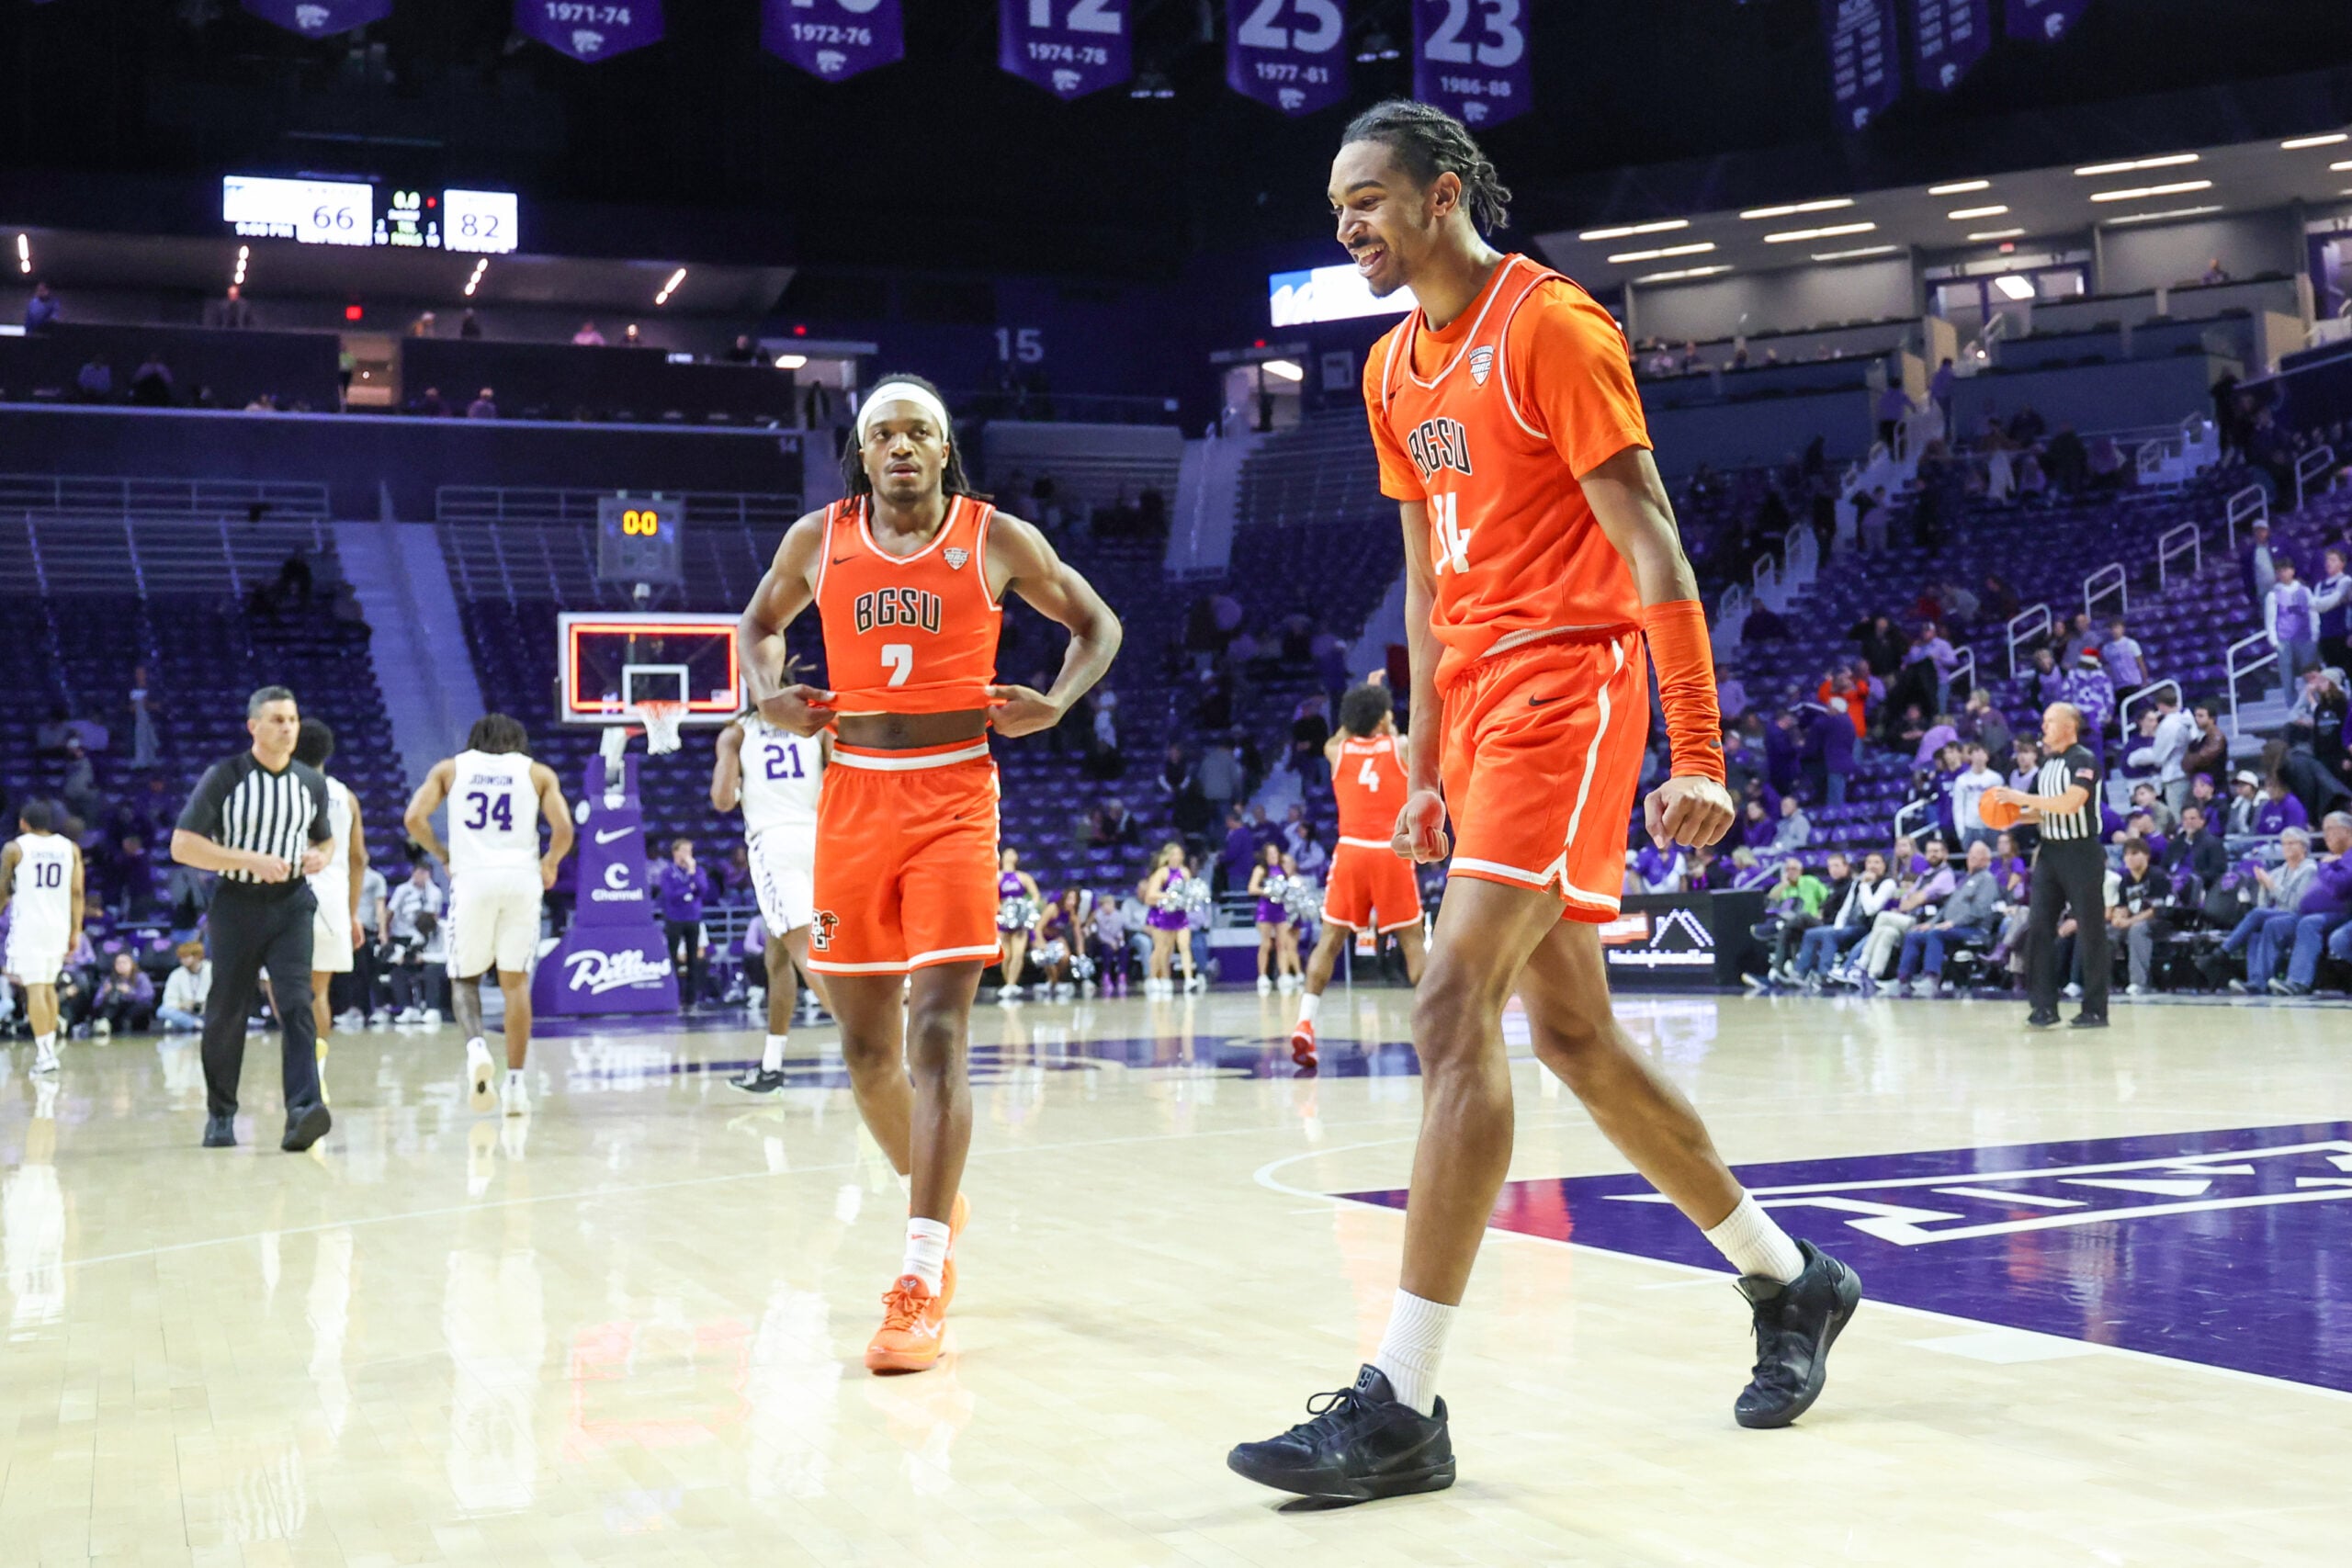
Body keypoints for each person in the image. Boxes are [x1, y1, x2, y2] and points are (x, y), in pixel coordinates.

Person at [1229, 101, 1860, 1506]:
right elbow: (1429, 586)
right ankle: (1791, 1277)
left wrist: (1695, 748)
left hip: (1575, 689)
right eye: (1338, 206)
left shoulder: (1554, 328)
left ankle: (1400, 1399)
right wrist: (1431, 770)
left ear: (1443, 194)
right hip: (1486, 709)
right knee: (1571, 1032)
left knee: (1452, 1003)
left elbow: (1653, 538)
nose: (1350, 225)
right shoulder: (1393, 365)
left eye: (1371, 199)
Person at [736, 371, 1119, 1375]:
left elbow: (1097, 624)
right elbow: (756, 626)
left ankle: (917, 1272)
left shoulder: (995, 538)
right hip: (854, 794)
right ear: (860, 454)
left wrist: (1061, 702)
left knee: (937, 1030)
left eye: (919, 433)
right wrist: (769, 693)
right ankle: (938, 1206)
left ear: (946, 450)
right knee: (866, 1051)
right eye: (884, 435)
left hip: (955, 794)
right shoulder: (816, 540)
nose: (901, 447)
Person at [168, 687, 334, 1151]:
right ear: (253, 726)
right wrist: (248, 859)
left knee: (298, 1003)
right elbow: (182, 844)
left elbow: (325, 840)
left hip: (292, 904)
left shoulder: (311, 782)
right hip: (237, 903)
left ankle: (302, 1110)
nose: (287, 728)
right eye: (277, 719)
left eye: (293, 719)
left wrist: (320, 856)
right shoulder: (224, 776)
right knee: (227, 1009)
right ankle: (221, 1114)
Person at [403, 714, 572, 1117]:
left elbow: (413, 819)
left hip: (473, 878)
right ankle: (516, 1085)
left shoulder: (451, 768)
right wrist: (550, 864)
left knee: (464, 978)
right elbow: (563, 829)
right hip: (521, 879)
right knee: (515, 984)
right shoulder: (537, 773)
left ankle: (477, 1048)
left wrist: (443, 854)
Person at [1290, 683, 1428, 1063]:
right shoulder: (1399, 747)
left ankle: (1304, 1023)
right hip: (1389, 852)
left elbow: (1340, 734)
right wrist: (1387, 723)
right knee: (1413, 944)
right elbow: (1415, 735)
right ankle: (1438, 1030)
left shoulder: (1338, 750)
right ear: (1382, 717)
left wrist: (1362, 706)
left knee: (1330, 941)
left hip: (1350, 851)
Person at [711, 705, 831, 1092]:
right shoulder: (816, 724)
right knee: (777, 955)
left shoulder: (738, 731)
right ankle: (771, 1065)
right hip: (821, 842)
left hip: (774, 846)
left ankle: (870, 1049)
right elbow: (838, 782)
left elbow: (723, 799)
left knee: (805, 953)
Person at [1984, 703, 2107, 1029]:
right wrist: (2008, 817)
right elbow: (2043, 811)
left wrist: (2020, 798)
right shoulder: (2047, 767)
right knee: (2038, 927)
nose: (2044, 727)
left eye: (2050, 722)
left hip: (2082, 852)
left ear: (2070, 725)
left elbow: (2070, 803)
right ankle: (2043, 1007)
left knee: (2091, 931)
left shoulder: (2084, 759)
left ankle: (2095, 1009)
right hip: (2050, 853)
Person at [293, 721, 366, 1104]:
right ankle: (316, 1073)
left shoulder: (279, 787)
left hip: (285, 895)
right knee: (319, 992)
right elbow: (358, 858)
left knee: (286, 991)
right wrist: (353, 912)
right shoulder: (345, 795)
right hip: (333, 899)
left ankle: (301, 1070)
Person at [0, 801, 83, 1075]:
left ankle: (46, 1056)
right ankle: (47, 1050)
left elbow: (2, 891)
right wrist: (76, 930)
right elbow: (77, 893)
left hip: (29, 926)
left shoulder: (15, 848)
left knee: (35, 988)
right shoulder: (70, 848)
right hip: (58, 926)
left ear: (23, 823)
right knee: (47, 987)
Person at [1893, 840, 2000, 996]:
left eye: (1977, 856)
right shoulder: (1964, 880)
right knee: (1914, 935)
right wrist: (1931, 923)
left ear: (1986, 859)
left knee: (1936, 934)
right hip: (1951, 927)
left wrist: (1953, 923)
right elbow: (1946, 908)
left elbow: (1979, 911)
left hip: (1974, 930)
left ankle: (1931, 978)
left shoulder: (1987, 880)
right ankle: (1903, 978)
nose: (1972, 858)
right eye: (1971, 855)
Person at [653, 839, 714, 1010]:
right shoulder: (668, 873)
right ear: (675, 852)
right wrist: (689, 888)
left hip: (693, 918)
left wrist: (692, 873)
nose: (688, 854)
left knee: (694, 959)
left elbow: (702, 890)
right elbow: (671, 894)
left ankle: (691, 999)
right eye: (684, 850)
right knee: (672, 958)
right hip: (674, 918)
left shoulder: (698, 870)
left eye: (690, 851)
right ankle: (672, 996)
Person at [1138, 840, 1201, 994]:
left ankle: (1189, 979)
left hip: (1179, 915)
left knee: (1184, 946)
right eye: (1174, 854)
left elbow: (1188, 891)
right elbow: (1150, 896)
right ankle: (1154, 978)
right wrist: (1169, 896)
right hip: (1162, 915)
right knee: (1162, 949)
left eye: (1179, 854)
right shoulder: (1162, 873)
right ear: (1167, 856)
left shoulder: (1185, 872)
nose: (1177, 857)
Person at [991, 847, 1045, 1002]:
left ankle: (1011, 984)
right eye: (1007, 853)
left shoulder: (1023, 877)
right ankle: (1007, 984)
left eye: (1013, 853)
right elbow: (992, 897)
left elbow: (1036, 896)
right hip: (1004, 919)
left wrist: (1026, 908)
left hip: (1020, 920)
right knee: (1006, 955)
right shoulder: (997, 877)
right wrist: (1001, 909)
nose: (1010, 855)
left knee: (1018, 953)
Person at [2267, 559, 2320, 705]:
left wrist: (2315, 634)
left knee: (2310, 674)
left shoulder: (2305, 591)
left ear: (2292, 571)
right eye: (2280, 571)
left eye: (2285, 570)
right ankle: (2293, 708)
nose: (2283, 573)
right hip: (2284, 639)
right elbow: (2270, 619)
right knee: (2287, 678)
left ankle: (2314, 703)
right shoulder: (2273, 594)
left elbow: (2313, 613)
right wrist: (2274, 641)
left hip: (2305, 637)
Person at [90, 952, 154, 1036]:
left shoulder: (141, 977)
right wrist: (105, 993)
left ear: (132, 964)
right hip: (116, 1008)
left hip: (135, 1007)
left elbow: (148, 996)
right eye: (118, 963)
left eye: (124, 962)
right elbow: (96, 1002)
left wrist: (130, 992)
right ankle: (103, 1023)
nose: (121, 965)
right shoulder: (110, 979)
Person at [158, 940, 210, 1032]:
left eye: (186, 957)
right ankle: (195, 1024)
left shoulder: (212, 970)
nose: (183, 960)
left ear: (197, 956)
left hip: (209, 1011)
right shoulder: (176, 974)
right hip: (185, 1012)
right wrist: (183, 1005)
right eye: (181, 957)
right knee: (162, 1011)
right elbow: (168, 1001)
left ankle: (197, 1024)